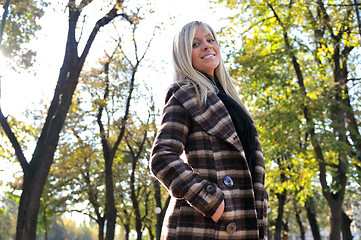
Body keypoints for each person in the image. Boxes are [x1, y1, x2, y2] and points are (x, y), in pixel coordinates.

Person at [150, 21, 268, 240]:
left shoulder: (231, 102)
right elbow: (162, 158)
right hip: (203, 227)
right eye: (196, 43)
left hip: (244, 222)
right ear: (184, 55)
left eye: (210, 39)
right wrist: (211, 200)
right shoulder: (184, 94)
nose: (206, 46)